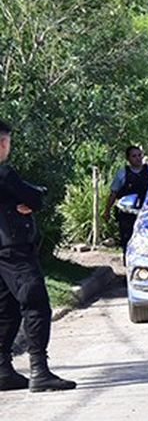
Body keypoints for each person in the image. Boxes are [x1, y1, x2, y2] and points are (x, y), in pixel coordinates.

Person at [0, 120, 76, 392]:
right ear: (3, 143)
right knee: (36, 305)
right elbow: (35, 198)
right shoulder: (5, 174)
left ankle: (3, 370)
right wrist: (29, 199)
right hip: (14, 247)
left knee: (6, 310)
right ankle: (39, 370)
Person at [105, 144, 148, 252]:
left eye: (139, 155)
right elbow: (113, 193)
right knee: (127, 240)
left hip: (147, 213)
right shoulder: (122, 173)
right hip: (126, 215)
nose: (138, 158)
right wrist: (107, 210)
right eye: (134, 156)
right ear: (128, 159)